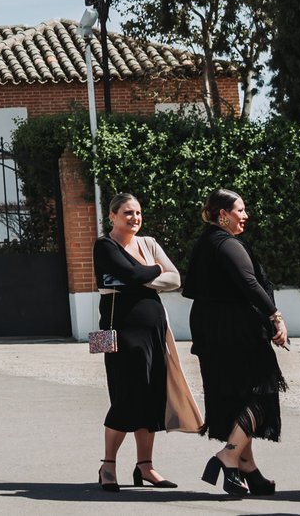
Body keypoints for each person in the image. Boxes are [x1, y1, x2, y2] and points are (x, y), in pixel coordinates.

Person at [184, 188, 287, 498]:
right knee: (263, 392)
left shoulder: (206, 242)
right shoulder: (226, 244)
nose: (246, 215)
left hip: (212, 329)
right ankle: (228, 455)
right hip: (235, 330)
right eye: (240, 210)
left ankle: (247, 471)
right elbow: (250, 283)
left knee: (237, 398)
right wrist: (275, 316)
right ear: (223, 215)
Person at [93, 191, 199, 490]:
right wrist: (150, 274)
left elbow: (176, 278)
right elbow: (131, 272)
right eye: (127, 213)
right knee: (127, 397)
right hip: (122, 332)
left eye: (138, 213)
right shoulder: (105, 245)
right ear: (112, 216)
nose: (134, 218)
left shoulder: (149, 243)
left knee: (152, 396)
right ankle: (108, 465)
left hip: (154, 330)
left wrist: (140, 277)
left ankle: (146, 467)